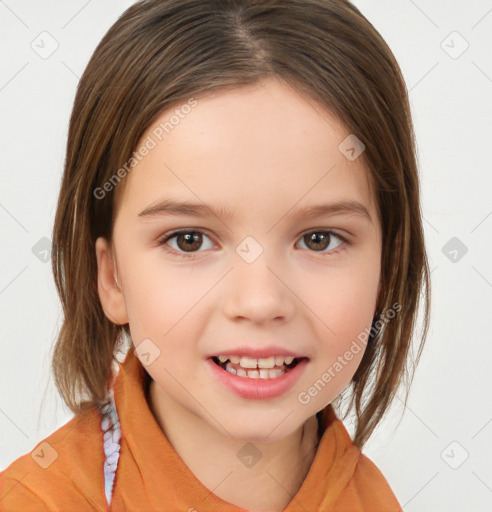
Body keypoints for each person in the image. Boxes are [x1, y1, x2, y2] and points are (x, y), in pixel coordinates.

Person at [0, 0, 430, 510]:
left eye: (319, 239)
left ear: (386, 268)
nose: (259, 301)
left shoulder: (371, 499)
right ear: (111, 277)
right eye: (189, 240)